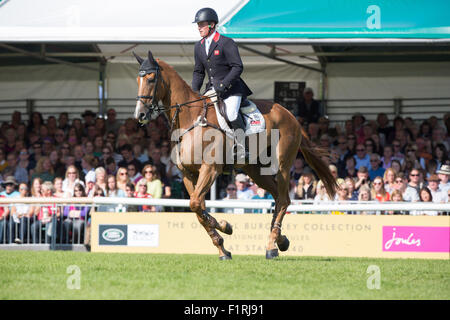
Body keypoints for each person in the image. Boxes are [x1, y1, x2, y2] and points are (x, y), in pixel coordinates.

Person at [192, 7, 253, 160]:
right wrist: (193, 93)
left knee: (231, 114)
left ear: (212, 25)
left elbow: (237, 67)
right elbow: (199, 72)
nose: (199, 27)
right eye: (198, 25)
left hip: (231, 89)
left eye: (201, 24)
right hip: (212, 89)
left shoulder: (226, 42)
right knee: (201, 114)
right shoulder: (198, 46)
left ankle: (242, 147)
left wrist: (223, 85)